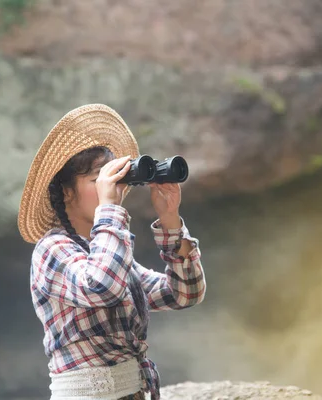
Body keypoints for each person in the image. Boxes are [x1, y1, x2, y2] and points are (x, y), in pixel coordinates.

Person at [17, 104, 206, 400]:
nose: (114, 189)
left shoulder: (108, 251)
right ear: (66, 191)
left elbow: (183, 293)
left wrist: (170, 220)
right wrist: (110, 212)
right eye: (99, 180)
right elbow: (102, 287)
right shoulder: (52, 249)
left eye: (115, 179)